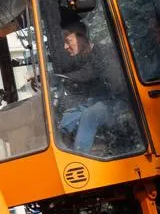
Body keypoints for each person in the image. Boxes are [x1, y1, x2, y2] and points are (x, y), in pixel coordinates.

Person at [51, 17, 133, 154]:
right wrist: (46, 78)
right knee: (66, 117)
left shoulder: (103, 52)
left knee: (90, 115)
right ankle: (62, 148)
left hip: (119, 101)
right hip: (97, 101)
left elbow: (87, 73)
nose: (65, 47)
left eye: (68, 41)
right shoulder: (81, 58)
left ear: (82, 38)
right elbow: (72, 72)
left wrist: (58, 77)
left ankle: (80, 154)